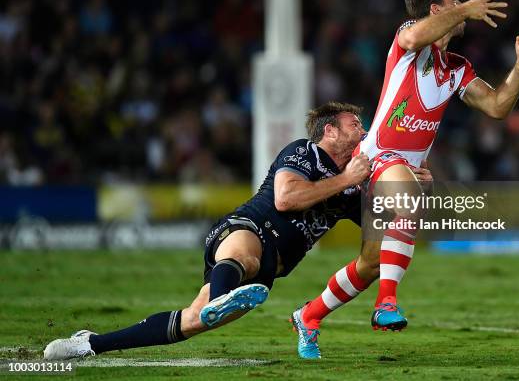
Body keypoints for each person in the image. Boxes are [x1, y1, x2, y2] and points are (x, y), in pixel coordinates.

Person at [43, 101, 432, 361]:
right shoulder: (304, 152)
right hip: (248, 228)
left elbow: (389, 227)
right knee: (244, 256)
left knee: (193, 321)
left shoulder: (353, 188)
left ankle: (89, 344)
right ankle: (223, 293)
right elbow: (285, 198)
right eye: (355, 125)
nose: (364, 131)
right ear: (329, 132)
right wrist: (345, 177)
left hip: (268, 273)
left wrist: (412, 188)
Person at [291, 0, 519, 359]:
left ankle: (308, 316)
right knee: (410, 201)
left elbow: (496, 106)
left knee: (371, 263)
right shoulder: (409, 40)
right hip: (375, 160)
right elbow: (411, 37)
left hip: (405, 168)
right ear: (438, 9)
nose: (464, 4)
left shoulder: (456, 67)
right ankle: (386, 305)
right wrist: (467, 10)